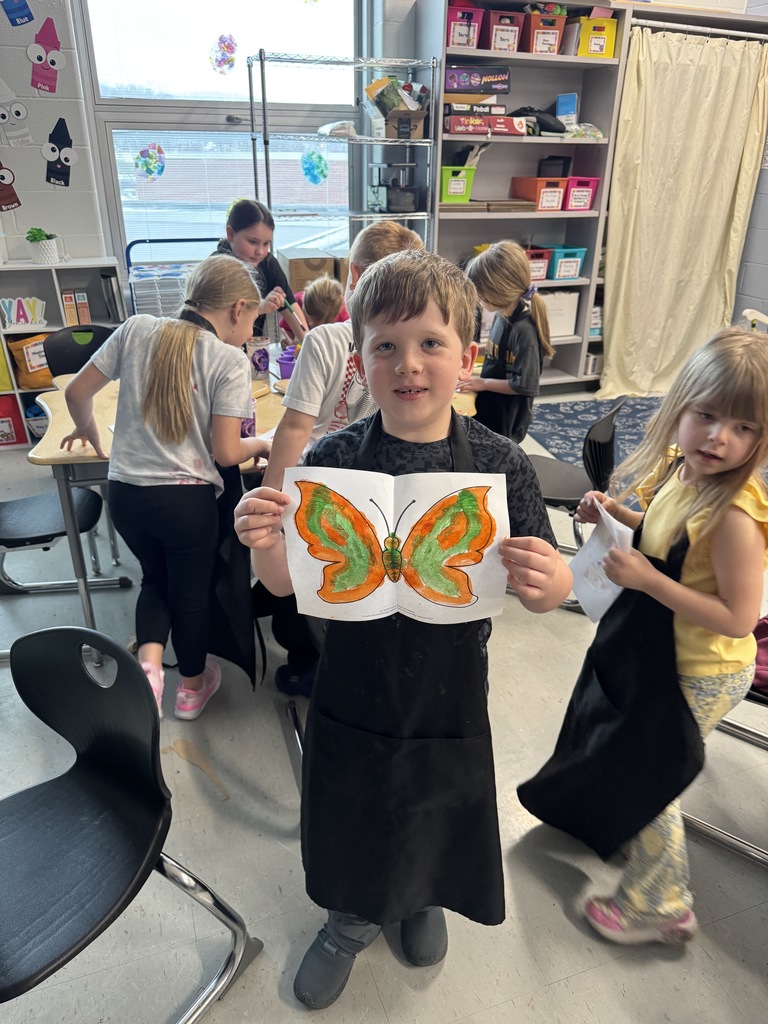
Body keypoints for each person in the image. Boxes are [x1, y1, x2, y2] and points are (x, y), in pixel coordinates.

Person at [234, 249, 573, 1010]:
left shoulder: (501, 464)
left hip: (452, 691)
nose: (408, 364)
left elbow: (546, 591)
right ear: (359, 360)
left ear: (466, 357)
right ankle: (348, 921)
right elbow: (284, 584)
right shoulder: (331, 459)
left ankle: (421, 895)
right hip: (352, 686)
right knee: (355, 807)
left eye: (430, 343)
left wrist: (553, 580)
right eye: (385, 345)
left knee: (435, 802)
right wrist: (262, 542)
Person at [518, 327, 768, 946]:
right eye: (706, 416)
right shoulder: (686, 473)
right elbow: (662, 534)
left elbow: (739, 617)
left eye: (743, 428)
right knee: (630, 756)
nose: (719, 437)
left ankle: (662, 902)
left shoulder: (735, 516)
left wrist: (649, 581)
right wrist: (616, 515)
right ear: (678, 407)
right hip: (660, 655)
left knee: (648, 778)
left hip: (701, 670)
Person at [61, 254, 272, 721]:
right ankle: (191, 688)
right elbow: (226, 453)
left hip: (126, 494)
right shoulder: (228, 360)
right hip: (186, 503)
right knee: (190, 594)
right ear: (238, 308)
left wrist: (88, 428)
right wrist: (261, 444)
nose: (250, 332)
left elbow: (76, 392)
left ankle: (151, 669)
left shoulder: (137, 329)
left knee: (154, 579)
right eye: (253, 320)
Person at [259, 221, 423, 699]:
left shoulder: (328, 340)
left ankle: (317, 663)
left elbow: (295, 427)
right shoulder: (380, 345)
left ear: (353, 274)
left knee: (319, 577)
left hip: (327, 486)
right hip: (373, 487)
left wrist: (272, 497)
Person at [457, 240, 553, 443]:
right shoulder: (502, 315)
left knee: (496, 453)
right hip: (491, 403)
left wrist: (482, 383)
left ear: (496, 291)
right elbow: (499, 350)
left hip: (507, 416)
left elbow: (523, 385)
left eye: (480, 293)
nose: (478, 299)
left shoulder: (524, 330)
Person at [215, 198, 309, 344]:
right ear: (231, 234)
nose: (260, 251)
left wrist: (309, 343)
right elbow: (220, 323)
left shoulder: (267, 263)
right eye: (252, 242)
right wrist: (259, 308)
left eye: (266, 244)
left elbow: (291, 307)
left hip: (253, 350)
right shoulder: (216, 270)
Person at [279, 273, 348, 342]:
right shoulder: (296, 304)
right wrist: (287, 340)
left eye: (314, 322)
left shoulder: (343, 316)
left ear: (334, 317)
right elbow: (285, 331)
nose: (309, 324)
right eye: (307, 318)